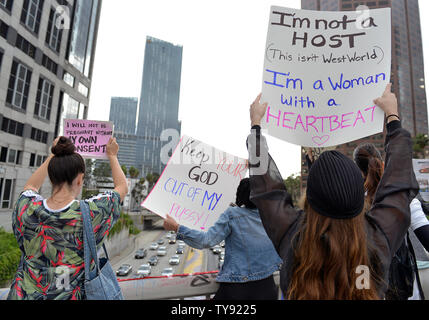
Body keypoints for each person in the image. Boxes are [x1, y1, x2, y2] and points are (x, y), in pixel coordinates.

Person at [247, 84, 419, 299]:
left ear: (309, 199)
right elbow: (399, 181)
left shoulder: (293, 234)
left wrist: (256, 126)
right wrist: (392, 116)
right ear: (358, 195)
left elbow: (266, 188)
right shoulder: (378, 236)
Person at [7, 136, 128, 300]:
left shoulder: (27, 207)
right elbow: (122, 187)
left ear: (50, 177)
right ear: (79, 179)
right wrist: (112, 155)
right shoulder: (92, 213)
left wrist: (53, 154)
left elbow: (31, 186)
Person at [163, 178, 282, 300]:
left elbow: (206, 240)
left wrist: (177, 228)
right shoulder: (272, 216)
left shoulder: (233, 215)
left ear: (240, 193)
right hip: (268, 287)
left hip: (238, 289)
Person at [353, 142, 429, 300]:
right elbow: (426, 237)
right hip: (404, 289)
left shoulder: (352, 203)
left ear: (358, 171)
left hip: (366, 285)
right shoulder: (403, 196)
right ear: (382, 163)